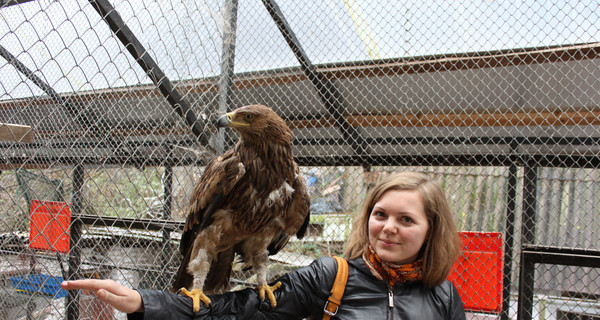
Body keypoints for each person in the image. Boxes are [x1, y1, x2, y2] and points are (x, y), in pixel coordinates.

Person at [61, 172, 466, 319]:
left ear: (431, 230)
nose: (388, 228)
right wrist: (146, 303)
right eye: (380, 215)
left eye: (406, 219)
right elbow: (238, 310)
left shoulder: (445, 299)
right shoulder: (332, 277)